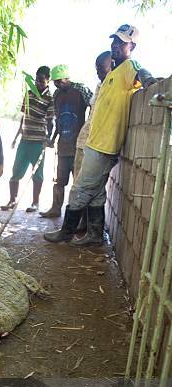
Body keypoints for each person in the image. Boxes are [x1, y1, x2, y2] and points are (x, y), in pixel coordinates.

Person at [44, 24, 156, 246]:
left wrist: (153, 84)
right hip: (97, 142)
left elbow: (143, 74)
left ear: (131, 46)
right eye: (114, 41)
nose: (115, 45)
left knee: (79, 189)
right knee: (96, 193)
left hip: (105, 145)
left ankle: (66, 232)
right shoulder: (112, 76)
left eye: (121, 42)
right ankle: (95, 235)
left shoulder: (129, 67)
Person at [39, 65, 93, 218]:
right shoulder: (57, 94)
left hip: (79, 146)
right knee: (59, 181)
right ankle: (55, 209)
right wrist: (53, 138)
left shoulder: (81, 90)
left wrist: (89, 130)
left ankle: (79, 216)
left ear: (67, 78)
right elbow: (59, 120)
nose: (57, 84)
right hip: (63, 146)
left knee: (78, 183)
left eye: (60, 81)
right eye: (55, 82)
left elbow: (95, 107)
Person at [1, 66, 54, 213]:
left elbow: (50, 121)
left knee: (37, 174)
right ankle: (12, 200)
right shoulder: (29, 94)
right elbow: (24, 118)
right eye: (37, 80)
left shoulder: (50, 98)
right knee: (16, 170)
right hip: (25, 139)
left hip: (38, 141)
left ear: (48, 81)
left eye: (42, 81)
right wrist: (16, 137)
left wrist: (48, 138)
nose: (38, 83)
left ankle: (35, 203)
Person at [73, 51, 113, 233]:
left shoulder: (115, 86)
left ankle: (76, 227)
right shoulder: (100, 86)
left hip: (97, 144)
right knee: (83, 184)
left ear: (111, 66)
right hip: (85, 141)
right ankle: (85, 226)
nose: (98, 71)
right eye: (96, 68)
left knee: (85, 187)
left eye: (101, 68)